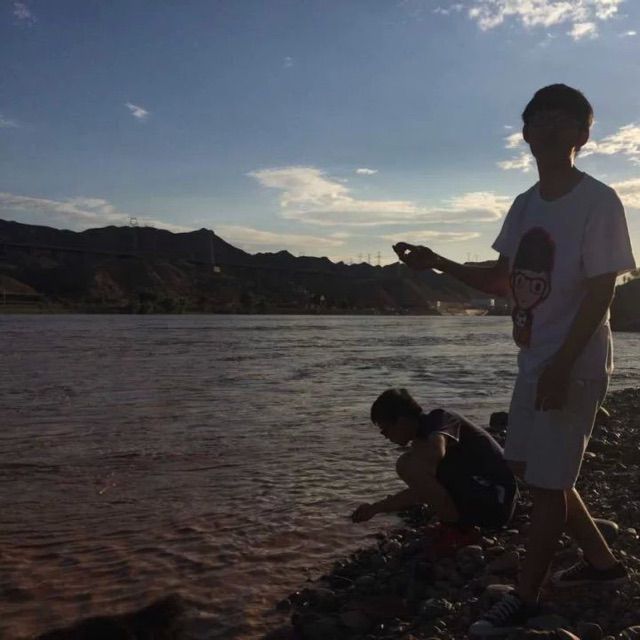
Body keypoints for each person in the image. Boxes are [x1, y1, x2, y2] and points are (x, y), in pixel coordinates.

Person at [393, 84, 636, 636]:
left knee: (548, 485)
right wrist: (438, 262)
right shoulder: (525, 205)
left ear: (582, 135)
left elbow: (601, 292)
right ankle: (603, 564)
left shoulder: (598, 201)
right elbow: (502, 280)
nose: (546, 128)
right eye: (537, 119)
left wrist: (562, 365)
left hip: (572, 362)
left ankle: (525, 599)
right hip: (535, 358)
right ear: (524, 133)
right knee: (532, 471)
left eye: (561, 119)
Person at [351, 388, 518, 555]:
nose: (385, 436)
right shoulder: (423, 436)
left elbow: (435, 453)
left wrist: (423, 473)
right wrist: (374, 509)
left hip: (497, 500)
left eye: (385, 430)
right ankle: (454, 526)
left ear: (401, 421)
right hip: (486, 495)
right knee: (408, 463)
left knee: (408, 464)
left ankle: (458, 531)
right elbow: (423, 490)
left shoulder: (440, 419)